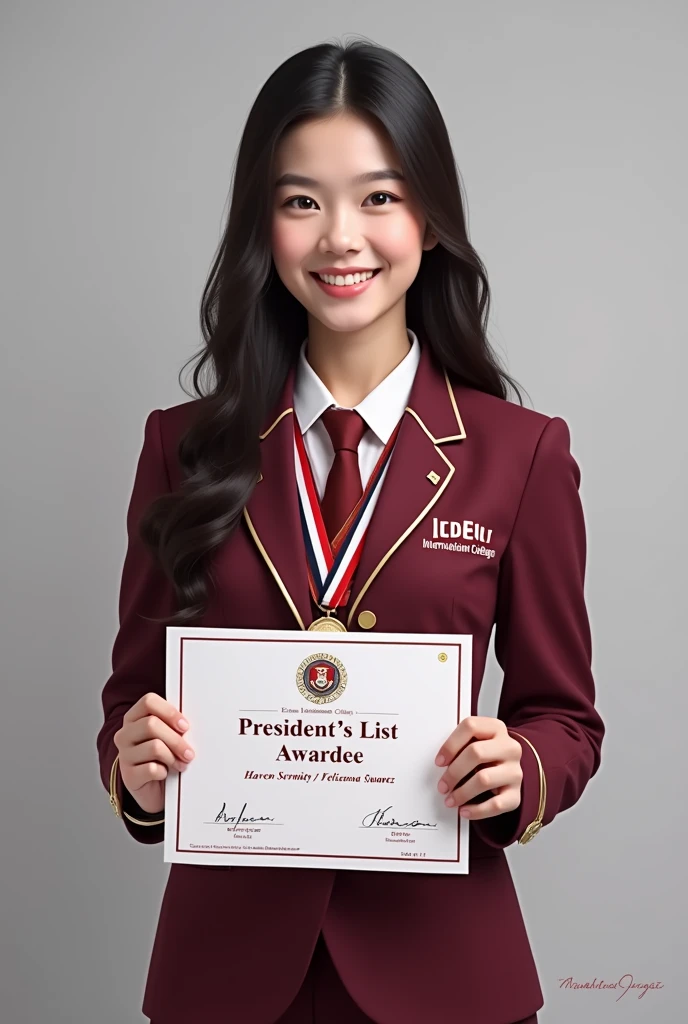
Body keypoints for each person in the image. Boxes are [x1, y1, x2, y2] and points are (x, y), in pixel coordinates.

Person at [96, 38, 604, 1024]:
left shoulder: (521, 454)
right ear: (263, 223)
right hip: (224, 981)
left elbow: (565, 718)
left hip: (448, 974)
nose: (341, 237)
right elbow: (132, 696)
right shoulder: (181, 448)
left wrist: (518, 769)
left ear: (430, 217)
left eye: (378, 197)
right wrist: (138, 773)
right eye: (300, 201)